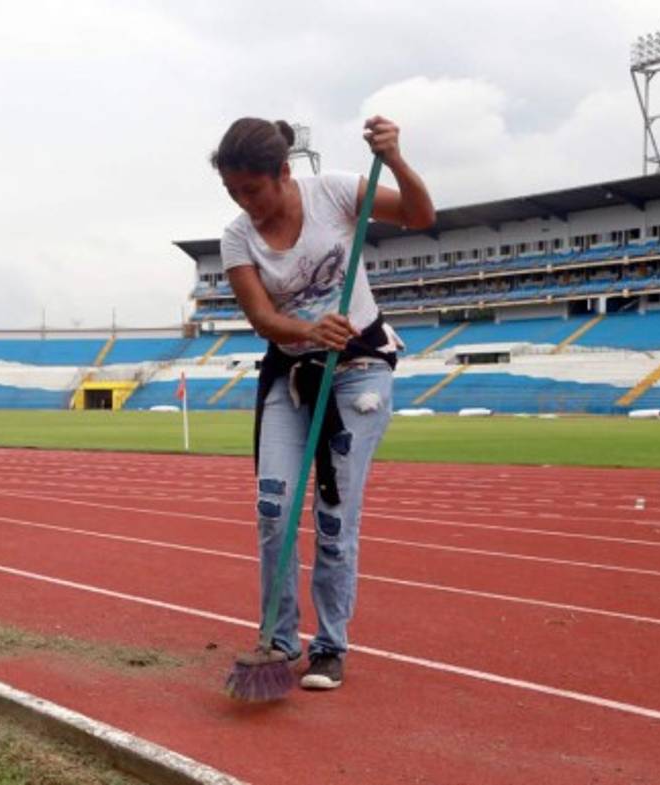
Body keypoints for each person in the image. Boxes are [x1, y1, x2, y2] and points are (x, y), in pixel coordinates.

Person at [212, 116, 434, 690]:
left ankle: (330, 646)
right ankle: (280, 641)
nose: (245, 202)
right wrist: (310, 330)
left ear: (283, 171)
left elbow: (419, 216)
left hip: (359, 369)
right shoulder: (237, 238)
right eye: (233, 192)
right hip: (291, 372)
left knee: (334, 518)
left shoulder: (336, 191)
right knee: (273, 511)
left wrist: (399, 158)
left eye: (252, 189)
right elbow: (263, 319)